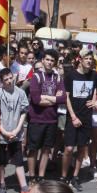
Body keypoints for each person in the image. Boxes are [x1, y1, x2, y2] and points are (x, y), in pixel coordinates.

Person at [62, 49, 97, 189]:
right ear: (80, 59)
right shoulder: (70, 75)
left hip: (86, 118)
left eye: (91, 59)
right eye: (87, 59)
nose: (89, 61)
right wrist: (73, 117)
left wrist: (96, 101)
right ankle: (64, 176)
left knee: (81, 148)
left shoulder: (94, 75)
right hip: (73, 117)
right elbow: (66, 97)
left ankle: (75, 176)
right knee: (68, 148)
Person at [26, 50, 65, 183]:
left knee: (46, 149)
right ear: (42, 60)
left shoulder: (57, 77)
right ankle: (32, 177)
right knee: (33, 150)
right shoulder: (36, 77)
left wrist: (47, 97)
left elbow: (63, 98)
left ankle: (41, 177)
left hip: (52, 119)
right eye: (47, 59)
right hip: (36, 119)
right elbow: (36, 100)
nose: (49, 62)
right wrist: (54, 98)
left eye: (52, 60)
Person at [0, 67, 29, 193]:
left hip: (16, 133)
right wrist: (3, 131)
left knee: (19, 161)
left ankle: (24, 187)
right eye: (6, 80)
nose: (9, 81)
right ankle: (2, 185)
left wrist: (17, 129)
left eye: (11, 78)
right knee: (1, 162)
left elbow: (23, 112)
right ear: (1, 81)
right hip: (2, 133)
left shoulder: (21, 93)